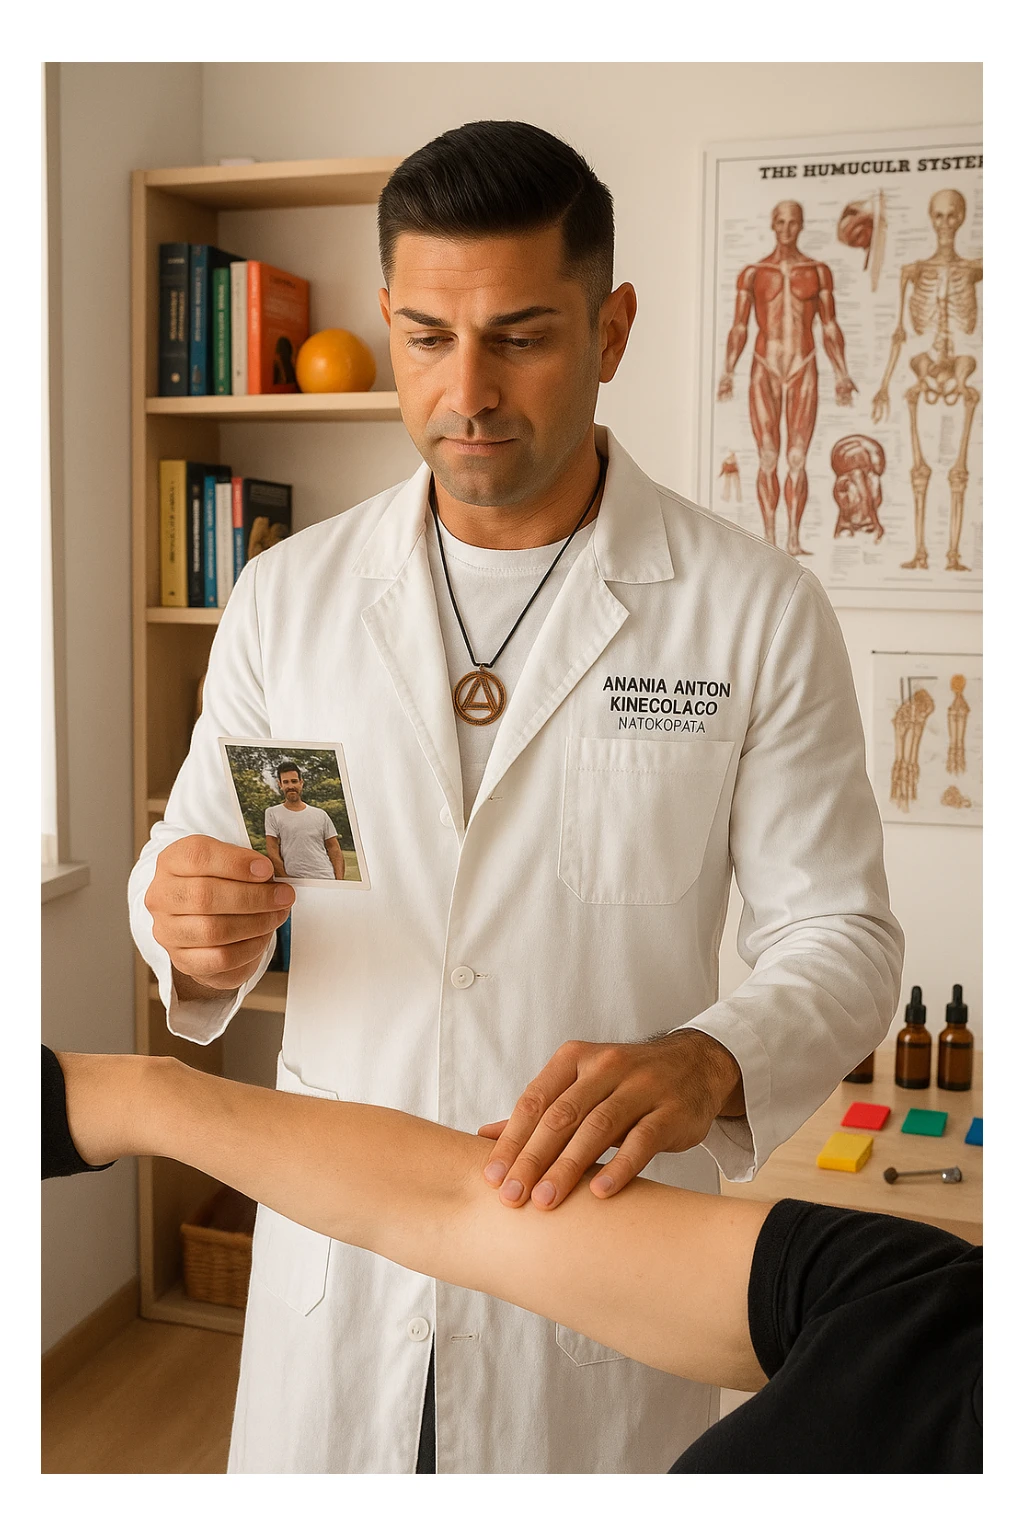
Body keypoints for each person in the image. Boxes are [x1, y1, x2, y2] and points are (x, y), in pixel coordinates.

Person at [128, 121, 904, 1475]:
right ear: (388, 324)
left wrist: (710, 1055)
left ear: (611, 331)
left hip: (596, 1280)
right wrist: (179, 914)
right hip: (343, 1267)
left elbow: (840, 938)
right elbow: (195, 861)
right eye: (427, 337)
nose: (467, 390)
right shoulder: (285, 600)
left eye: (521, 337)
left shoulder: (753, 612)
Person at [42, 1046, 981, 1474]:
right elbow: (458, 1205)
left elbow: (840, 926)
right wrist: (130, 1096)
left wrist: (715, 1058)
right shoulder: (928, 1308)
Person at [717, 199, 857, 555]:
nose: (786, 228)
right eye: (780, 221)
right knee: (767, 456)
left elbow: (829, 325)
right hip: (764, 366)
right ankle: (769, 539)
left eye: (793, 222)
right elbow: (739, 327)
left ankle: (793, 539)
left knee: (796, 458)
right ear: (772, 223)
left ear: (801, 225)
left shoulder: (817, 271)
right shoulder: (752, 273)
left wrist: (841, 373)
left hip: (803, 366)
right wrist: (728, 372)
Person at [263, 762, 346, 881]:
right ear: (280, 784)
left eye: (294, 781)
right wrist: (286, 879)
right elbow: (272, 850)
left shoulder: (320, 814)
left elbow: (334, 849)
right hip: (295, 880)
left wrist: (339, 881)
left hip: (325, 877)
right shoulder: (272, 813)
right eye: (286, 782)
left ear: (301, 783)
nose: (290, 786)